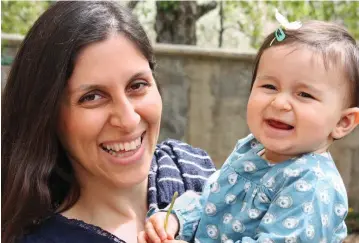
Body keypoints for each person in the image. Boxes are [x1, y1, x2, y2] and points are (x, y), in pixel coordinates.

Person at [1, 2, 216, 243]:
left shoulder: (192, 170)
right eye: (92, 97)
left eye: (137, 85)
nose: (128, 119)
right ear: (47, 114)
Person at [139, 14, 359, 243]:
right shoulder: (251, 148)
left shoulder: (313, 185)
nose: (279, 102)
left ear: (342, 123)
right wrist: (176, 219)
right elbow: (211, 200)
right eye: (270, 86)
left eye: (304, 94)